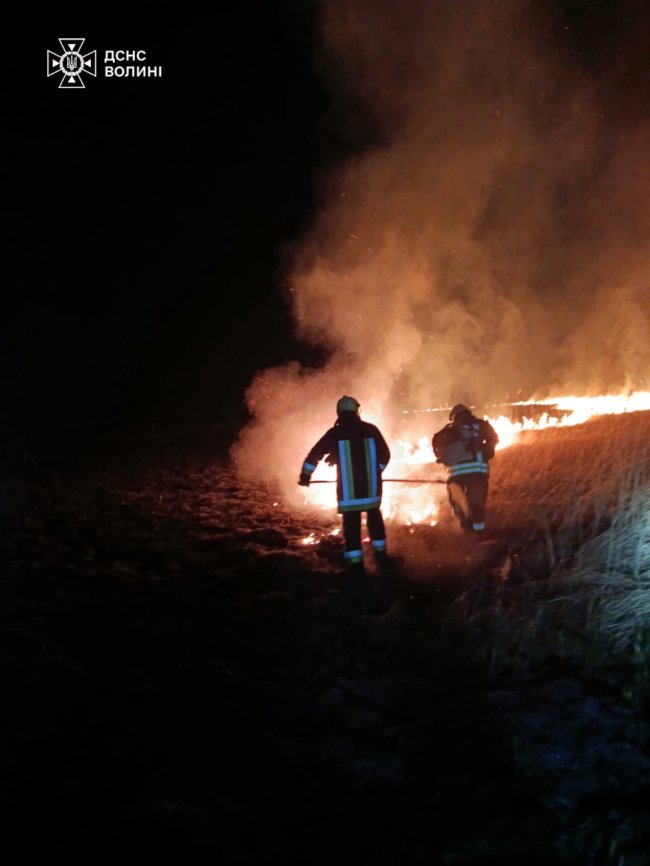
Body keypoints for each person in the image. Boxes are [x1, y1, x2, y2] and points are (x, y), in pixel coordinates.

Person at [298, 395, 390, 571]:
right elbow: (385, 454)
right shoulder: (371, 430)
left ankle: (356, 567)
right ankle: (382, 557)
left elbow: (314, 455)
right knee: (375, 523)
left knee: (352, 530)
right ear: (356, 411)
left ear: (339, 413)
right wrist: (376, 471)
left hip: (349, 495)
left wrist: (305, 476)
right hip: (372, 492)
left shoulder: (334, 433)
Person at [432, 403, 499, 533]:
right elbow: (494, 439)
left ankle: (466, 529)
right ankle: (479, 532)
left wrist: (443, 457)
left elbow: (437, 450)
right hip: (477, 471)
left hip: (455, 474)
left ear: (453, 417)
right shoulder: (481, 425)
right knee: (477, 503)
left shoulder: (447, 431)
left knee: (458, 504)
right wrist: (487, 451)